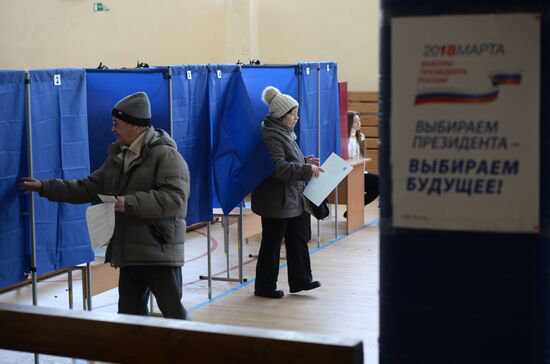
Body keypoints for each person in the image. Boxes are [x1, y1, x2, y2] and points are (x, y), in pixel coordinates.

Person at [19, 92, 191, 320]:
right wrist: (44, 187)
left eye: (116, 124)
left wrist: (129, 203)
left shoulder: (166, 155)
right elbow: (87, 188)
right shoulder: (118, 156)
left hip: (159, 251)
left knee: (174, 315)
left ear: (135, 125)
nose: (113, 129)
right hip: (130, 253)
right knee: (129, 320)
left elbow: (175, 199)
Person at [251, 86, 324, 299]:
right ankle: (264, 287)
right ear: (281, 115)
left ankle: (301, 280)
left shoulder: (285, 133)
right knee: (272, 244)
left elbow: (289, 161)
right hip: (276, 201)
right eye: (293, 114)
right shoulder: (270, 135)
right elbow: (278, 168)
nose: (296, 117)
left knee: (298, 238)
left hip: (292, 197)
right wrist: (306, 169)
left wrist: (305, 162)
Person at [346, 110, 380, 213]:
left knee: (378, 186)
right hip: (349, 173)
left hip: (359, 172)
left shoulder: (361, 137)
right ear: (349, 123)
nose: (358, 123)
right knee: (380, 182)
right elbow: (349, 158)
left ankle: (352, 211)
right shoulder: (346, 139)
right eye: (355, 121)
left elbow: (360, 157)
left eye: (359, 121)